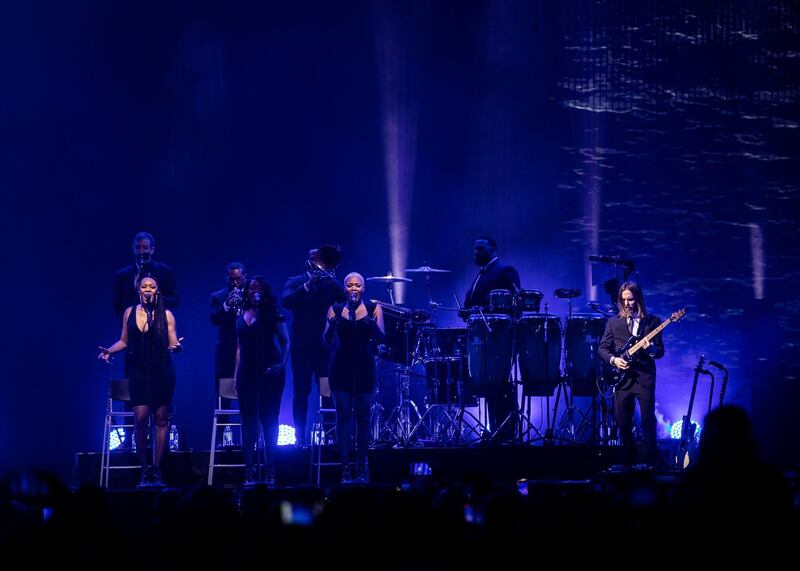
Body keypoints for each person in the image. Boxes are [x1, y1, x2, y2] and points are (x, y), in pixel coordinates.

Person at [98, 276, 182, 487]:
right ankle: (144, 470)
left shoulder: (166, 315)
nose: (147, 290)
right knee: (141, 419)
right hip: (139, 371)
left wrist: (177, 347)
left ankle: (157, 469)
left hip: (162, 371)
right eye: (144, 286)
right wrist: (110, 350)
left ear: (157, 291)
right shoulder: (130, 312)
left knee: (162, 418)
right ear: (138, 290)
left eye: (151, 287)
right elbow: (124, 341)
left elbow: (173, 341)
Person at [281, 245, 345, 447]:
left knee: (327, 391)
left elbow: (344, 300)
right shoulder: (296, 282)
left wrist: (329, 278)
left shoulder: (330, 284)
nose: (318, 263)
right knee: (301, 392)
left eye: (321, 260)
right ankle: (300, 438)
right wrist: (308, 284)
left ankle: (330, 435)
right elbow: (286, 301)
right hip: (301, 347)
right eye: (315, 259)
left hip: (325, 347)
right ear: (308, 261)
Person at [323, 272, 384, 483]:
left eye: (358, 285)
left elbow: (382, 339)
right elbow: (326, 340)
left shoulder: (374, 308)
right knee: (343, 414)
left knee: (363, 416)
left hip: (364, 367)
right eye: (350, 285)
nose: (354, 289)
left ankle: (360, 465)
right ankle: (345, 466)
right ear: (345, 288)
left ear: (363, 288)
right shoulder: (336, 309)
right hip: (340, 368)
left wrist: (372, 324)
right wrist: (332, 325)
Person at [597, 281, 664, 466]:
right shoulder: (613, 322)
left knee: (647, 421)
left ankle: (653, 460)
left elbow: (659, 352)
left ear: (638, 299)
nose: (627, 303)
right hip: (622, 380)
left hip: (644, 378)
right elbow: (602, 349)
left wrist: (650, 348)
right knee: (623, 421)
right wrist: (614, 360)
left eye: (631, 299)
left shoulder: (652, 322)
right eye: (623, 300)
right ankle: (628, 460)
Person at [462, 236, 521, 440]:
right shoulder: (481, 274)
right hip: (482, 338)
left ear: (492, 249)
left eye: (480, 249)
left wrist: (482, 310)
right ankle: (496, 428)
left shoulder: (505, 270)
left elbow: (515, 302)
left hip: (499, 337)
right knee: (488, 383)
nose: (476, 253)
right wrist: (467, 311)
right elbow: (471, 302)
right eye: (474, 249)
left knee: (500, 382)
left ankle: (507, 430)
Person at [234, 276, 290, 486]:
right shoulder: (239, 313)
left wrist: (282, 364)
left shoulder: (273, 314)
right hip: (247, 372)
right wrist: (235, 375)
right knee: (248, 421)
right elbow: (238, 348)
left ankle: (271, 471)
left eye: (259, 288)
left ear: (264, 292)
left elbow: (286, 342)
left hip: (269, 371)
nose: (254, 291)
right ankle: (249, 471)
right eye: (251, 288)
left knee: (269, 420)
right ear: (247, 292)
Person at [210, 262, 247, 432]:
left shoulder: (252, 294)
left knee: (249, 396)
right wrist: (226, 305)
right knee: (222, 397)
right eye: (232, 280)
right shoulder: (218, 296)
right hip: (226, 352)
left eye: (238, 279)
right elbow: (214, 319)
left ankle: (250, 438)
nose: (235, 283)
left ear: (244, 277)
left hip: (247, 352)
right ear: (227, 278)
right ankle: (221, 440)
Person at [114, 232, 179, 319]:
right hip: (132, 327)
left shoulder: (165, 272)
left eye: (145, 248)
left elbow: (175, 300)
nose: (141, 251)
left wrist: (156, 300)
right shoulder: (122, 275)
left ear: (152, 250)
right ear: (133, 249)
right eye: (138, 247)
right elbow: (117, 305)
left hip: (158, 324)